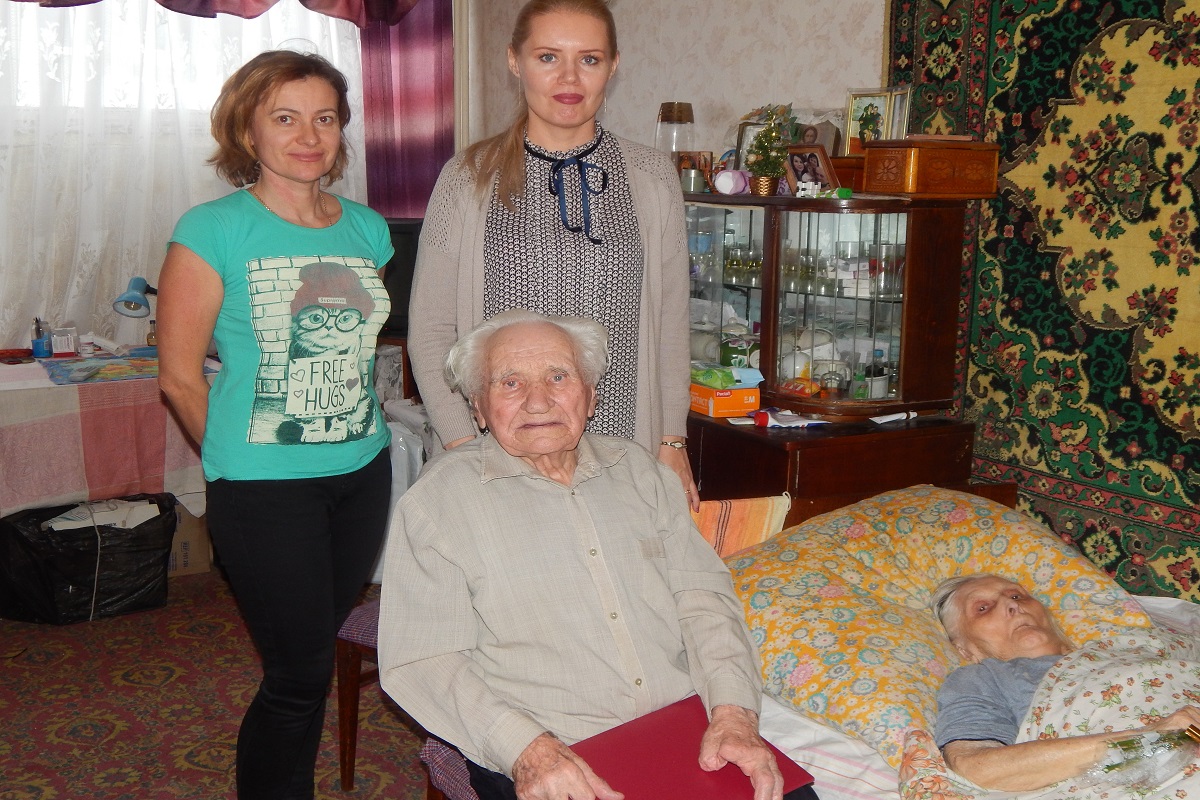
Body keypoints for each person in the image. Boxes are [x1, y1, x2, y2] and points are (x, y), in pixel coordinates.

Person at [378, 310, 810, 800]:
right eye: (510, 383)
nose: (538, 400)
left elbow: (703, 598)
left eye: (558, 377)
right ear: (478, 407)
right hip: (554, 750)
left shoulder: (641, 473)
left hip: (684, 730)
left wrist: (733, 713)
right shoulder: (438, 503)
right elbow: (421, 659)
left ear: (591, 394)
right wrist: (527, 751)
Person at [157, 50, 394, 800]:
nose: (307, 136)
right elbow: (179, 376)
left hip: (363, 474)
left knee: (311, 659)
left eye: (324, 118)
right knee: (297, 677)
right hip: (264, 488)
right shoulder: (212, 229)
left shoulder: (368, 230)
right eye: (285, 118)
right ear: (248, 131)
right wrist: (239, 464)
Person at [407, 0, 699, 510]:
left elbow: (670, 325)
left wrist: (671, 442)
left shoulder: (652, 177)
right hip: (499, 452)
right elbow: (431, 331)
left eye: (589, 59)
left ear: (613, 65)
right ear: (515, 61)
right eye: (548, 57)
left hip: (624, 447)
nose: (569, 77)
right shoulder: (466, 177)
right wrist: (463, 444)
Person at [931, 574, 1200, 791]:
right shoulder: (982, 678)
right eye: (983, 608)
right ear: (965, 649)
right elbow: (975, 767)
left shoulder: (1134, 645)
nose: (1012, 605)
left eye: (1016, 596)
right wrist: (1147, 738)